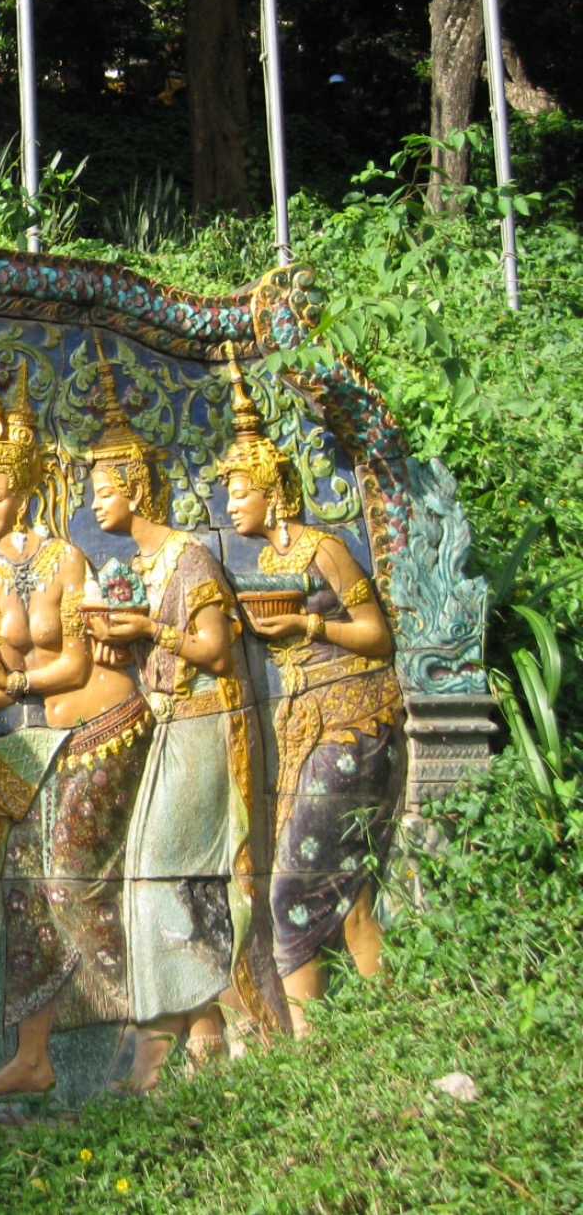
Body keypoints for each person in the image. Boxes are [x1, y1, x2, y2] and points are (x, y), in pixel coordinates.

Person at [0, 327, 153, 1099]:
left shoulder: (62, 559)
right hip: (51, 736)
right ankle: (34, 1055)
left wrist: (7, 679)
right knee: (21, 885)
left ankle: (159, 1032)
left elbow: (72, 667)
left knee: (71, 882)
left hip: (107, 730)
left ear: (20, 495)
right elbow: (4, 688)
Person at [85, 338, 283, 1088]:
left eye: (103, 489)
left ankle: (185, 1035)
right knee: (154, 875)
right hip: (172, 721)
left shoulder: (190, 558)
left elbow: (215, 649)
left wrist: (148, 629)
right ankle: (197, 1032)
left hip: (205, 720)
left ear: (136, 488)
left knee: (164, 873)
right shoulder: (144, 565)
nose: (93, 504)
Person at [217, 347, 400, 1035]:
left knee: (292, 891)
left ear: (273, 492)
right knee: (348, 894)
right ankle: (378, 1030)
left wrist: (308, 623)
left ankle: (310, 1048)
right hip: (308, 724)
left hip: (356, 721)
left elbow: (377, 635)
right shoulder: (271, 562)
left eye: (240, 493)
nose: (231, 505)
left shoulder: (323, 550)